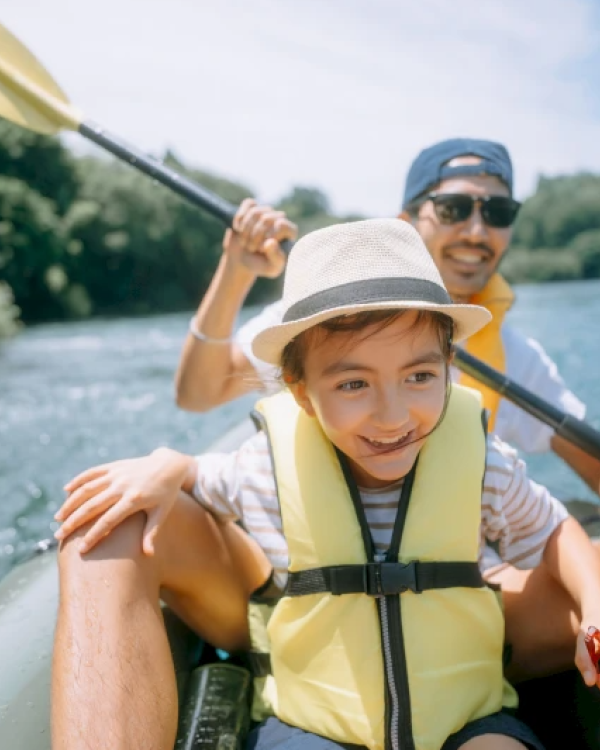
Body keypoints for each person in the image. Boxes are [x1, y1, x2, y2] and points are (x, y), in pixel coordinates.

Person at [53, 219, 600, 750]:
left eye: (419, 377)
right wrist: (170, 462)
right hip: (314, 724)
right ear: (300, 391)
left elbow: (554, 530)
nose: (392, 415)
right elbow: (202, 477)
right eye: (354, 383)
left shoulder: (486, 463)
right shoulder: (263, 466)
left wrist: (594, 602)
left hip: (463, 714)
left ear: (449, 368)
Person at [174, 138, 600, 680]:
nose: (476, 230)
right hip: (322, 592)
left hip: (460, 590)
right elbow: (196, 393)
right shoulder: (318, 324)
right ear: (407, 222)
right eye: (453, 209)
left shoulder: (518, 357)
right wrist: (235, 271)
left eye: (496, 212)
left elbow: (586, 468)